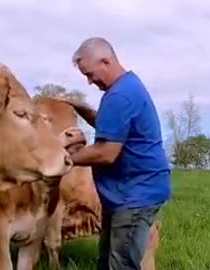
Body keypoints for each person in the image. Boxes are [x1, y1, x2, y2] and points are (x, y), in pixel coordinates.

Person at [57, 37, 171, 270]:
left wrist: (62, 160)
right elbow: (112, 127)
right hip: (128, 193)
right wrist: (82, 108)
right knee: (107, 261)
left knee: (121, 264)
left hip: (135, 194)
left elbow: (106, 152)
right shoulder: (126, 87)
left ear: (105, 61)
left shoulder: (120, 95)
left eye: (90, 74)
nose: (90, 82)